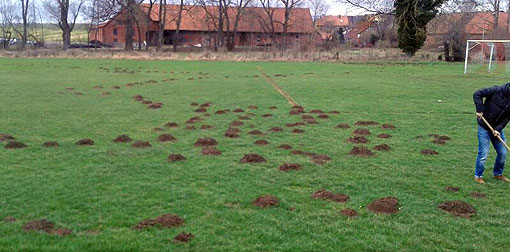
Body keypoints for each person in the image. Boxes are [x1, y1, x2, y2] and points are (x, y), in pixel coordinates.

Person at [473, 83, 510, 184]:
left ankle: (498, 174)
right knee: (483, 153)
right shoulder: (496, 90)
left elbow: (507, 118)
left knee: (503, 152)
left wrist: (498, 129)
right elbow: (477, 94)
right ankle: (478, 176)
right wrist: (480, 109)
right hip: (484, 127)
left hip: (497, 129)